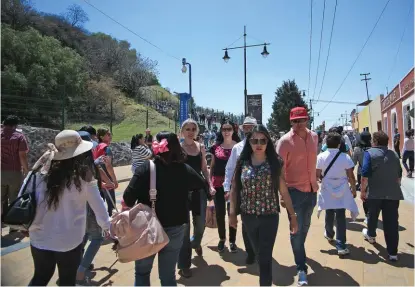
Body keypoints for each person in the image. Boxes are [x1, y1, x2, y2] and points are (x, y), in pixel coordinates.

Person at [25, 130, 111, 286]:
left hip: (38, 237)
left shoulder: (38, 174)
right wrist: (108, 228)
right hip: (69, 241)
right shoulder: (84, 178)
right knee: (67, 280)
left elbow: (23, 197)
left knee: (40, 277)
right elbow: (100, 209)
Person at [123, 132, 209, 286]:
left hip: (146, 228)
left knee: (142, 272)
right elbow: (201, 183)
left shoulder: (145, 169)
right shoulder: (184, 169)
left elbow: (128, 198)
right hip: (176, 226)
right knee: (168, 276)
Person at [229, 124, 298, 286]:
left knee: (265, 258)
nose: (258, 144)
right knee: (259, 255)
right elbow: (234, 189)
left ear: (268, 141)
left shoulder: (275, 162)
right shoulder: (242, 161)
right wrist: (232, 214)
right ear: (249, 142)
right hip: (248, 217)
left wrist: (292, 216)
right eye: (254, 141)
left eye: (262, 140)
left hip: (270, 216)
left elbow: (284, 191)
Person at [276, 106, 318, 286]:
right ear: (290, 122)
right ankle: (301, 266)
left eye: (302, 120)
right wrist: (282, 195)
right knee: (296, 229)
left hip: (312, 189)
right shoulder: (284, 141)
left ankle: (300, 251)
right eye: (295, 121)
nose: (299, 124)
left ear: (307, 119)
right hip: (293, 192)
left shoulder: (314, 137)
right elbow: (278, 171)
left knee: (305, 225)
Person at [178, 119, 214, 278]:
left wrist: (210, 184)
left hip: (199, 190)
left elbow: (204, 169)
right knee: (184, 230)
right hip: (182, 193)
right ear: (182, 131)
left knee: (200, 224)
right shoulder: (177, 148)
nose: (191, 131)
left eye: (193, 129)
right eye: (187, 129)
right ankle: (184, 264)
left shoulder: (200, 147)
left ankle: (196, 242)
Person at [361, 131, 403, 261]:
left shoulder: (369, 153)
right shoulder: (394, 154)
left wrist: (363, 192)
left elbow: (365, 175)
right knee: (391, 223)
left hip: (374, 193)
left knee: (372, 215)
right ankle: (393, 253)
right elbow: (399, 174)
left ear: (375, 142)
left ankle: (371, 235)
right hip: (392, 194)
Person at [316, 132, 358, 256]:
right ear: (339, 144)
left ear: (326, 144)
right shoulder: (345, 157)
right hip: (342, 189)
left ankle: (329, 234)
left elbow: (317, 175)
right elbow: (351, 176)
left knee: (328, 211)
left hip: (326, 189)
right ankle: (341, 245)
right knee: (340, 216)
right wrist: (354, 190)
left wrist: (322, 180)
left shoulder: (321, 157)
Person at [223, 116, 257, 264]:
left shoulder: (264, 145)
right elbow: (229, 169)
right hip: (243, 191)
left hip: (261, 192)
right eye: (245, 127)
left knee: (259, 222)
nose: (248, 130)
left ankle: (258, 248)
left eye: (251, 127)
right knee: (246, 221)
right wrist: (227, 188)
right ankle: (250, 252)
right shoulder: (237, 148)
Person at [210, 119, 240, 253]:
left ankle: (232, 240)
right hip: (217, 184)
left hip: (233, 185)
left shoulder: (239, 146)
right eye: (224, 129)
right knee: (220, 213)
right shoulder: (216, 147)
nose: (226, 132)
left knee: (232, 212)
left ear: (233, 131)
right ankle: (222, 239)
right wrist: (209, 183)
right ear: (221, 131)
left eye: (229, 129)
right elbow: (212, 166)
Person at [1, 115, 29, 225]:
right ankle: (12, 223)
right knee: (14, 197)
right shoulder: (19, 137)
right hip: (14, 172)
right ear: (15, 125)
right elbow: (22, 156)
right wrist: (26, 170)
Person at [94, 128, 118, 216]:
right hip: (107, 180)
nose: (110, 136)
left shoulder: (96, 147)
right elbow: (108, 166)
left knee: (99, 205)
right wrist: (114, 181)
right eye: (108, 134)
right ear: (101, 136)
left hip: (98, 180)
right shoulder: (106, 149)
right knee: (111, 207)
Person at [352, 131, 372, 222]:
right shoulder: (373, 148)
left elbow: (353, 163)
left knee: (364, 195)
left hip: (362, 173)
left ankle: (368, 215)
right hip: (373, 173)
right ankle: (372, 214)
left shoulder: (357, 149)